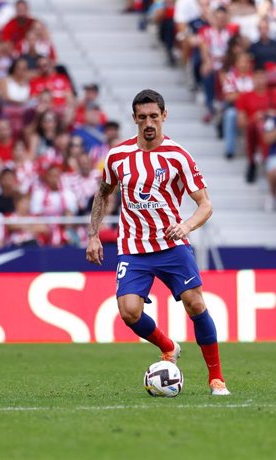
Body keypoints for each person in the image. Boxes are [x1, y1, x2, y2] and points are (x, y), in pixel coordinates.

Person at [85, 89, 229, 396]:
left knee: (195, 303)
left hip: (171, 246)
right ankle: (168, 346)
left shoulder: (178, 156)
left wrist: (186, 225)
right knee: (129, 312)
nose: (149, 123)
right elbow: (103, 193)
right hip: (133, 248)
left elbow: (205, 204)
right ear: (134, 119)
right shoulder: (118, 156)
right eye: (142, 117)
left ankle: (216, 378)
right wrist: (93, 234)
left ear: (164, 116)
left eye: (154, 116)